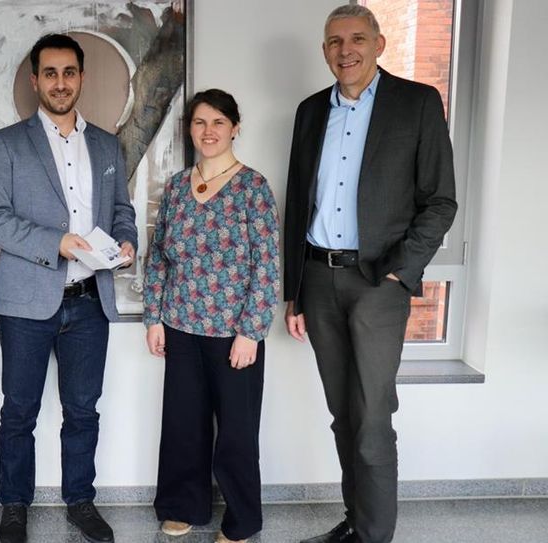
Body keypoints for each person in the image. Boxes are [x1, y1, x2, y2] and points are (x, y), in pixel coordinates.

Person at [283, 6, 457, 543]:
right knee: (343, 414)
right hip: (318, 278)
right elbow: (298, 203)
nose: (346, 50)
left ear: (379, 44)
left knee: (372, 417)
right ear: (324, 50)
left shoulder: (417, 103)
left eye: (357, 38)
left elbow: (440, 202)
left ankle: (374, 535)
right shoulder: (310, 110)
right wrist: (294, 292)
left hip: (378, 283)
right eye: (335, 41)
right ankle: (357, 522)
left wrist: (400, 273)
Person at [0, 33, 138, 543]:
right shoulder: (6, 143)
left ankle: (81, 502)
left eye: (69, 72)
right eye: (50, 73)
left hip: (90, 302)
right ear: (35, 80)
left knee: (83, 411)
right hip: (26, 303)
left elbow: (122, 211)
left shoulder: (106, 145)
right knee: (18, 412)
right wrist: (57, 242)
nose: (60, 82)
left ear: (82, 77)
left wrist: (128, 241)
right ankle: (14, 506)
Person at [143, 89, 280, 543]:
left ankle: (241, 521)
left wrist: (251, 332)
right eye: (200, 122)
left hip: (233, 334)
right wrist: (154, 317)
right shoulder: (177, 187)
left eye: (218, 122)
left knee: (237, 433)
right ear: (190, 129)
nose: (208, 131)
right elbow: (159, 257)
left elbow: (267, 265)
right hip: (180, 327)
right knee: (184, 426)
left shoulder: (253, 188)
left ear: (235, 128)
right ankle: (183, 506)